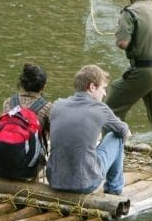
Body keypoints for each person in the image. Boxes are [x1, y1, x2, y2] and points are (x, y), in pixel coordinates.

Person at [106, 0, 152, 172]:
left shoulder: (130, 12)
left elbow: (122, 43)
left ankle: (109, 162)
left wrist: (120, 32)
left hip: (145, 72)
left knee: (109, 109)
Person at [47, 65, 131, 195]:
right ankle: (114, 189)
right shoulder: (100, 109)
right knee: (115, 137)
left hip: (55, 181)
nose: (105, 93)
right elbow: (125, 132)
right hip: (85, 183)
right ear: (92, 87)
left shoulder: (57, 105)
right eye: (103, 88)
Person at [0, 63, 53, 181]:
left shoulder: (8, 102)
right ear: (44, 86)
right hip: (26, 169)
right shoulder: (48, 107)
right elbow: (49, 137)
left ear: (21, 83)